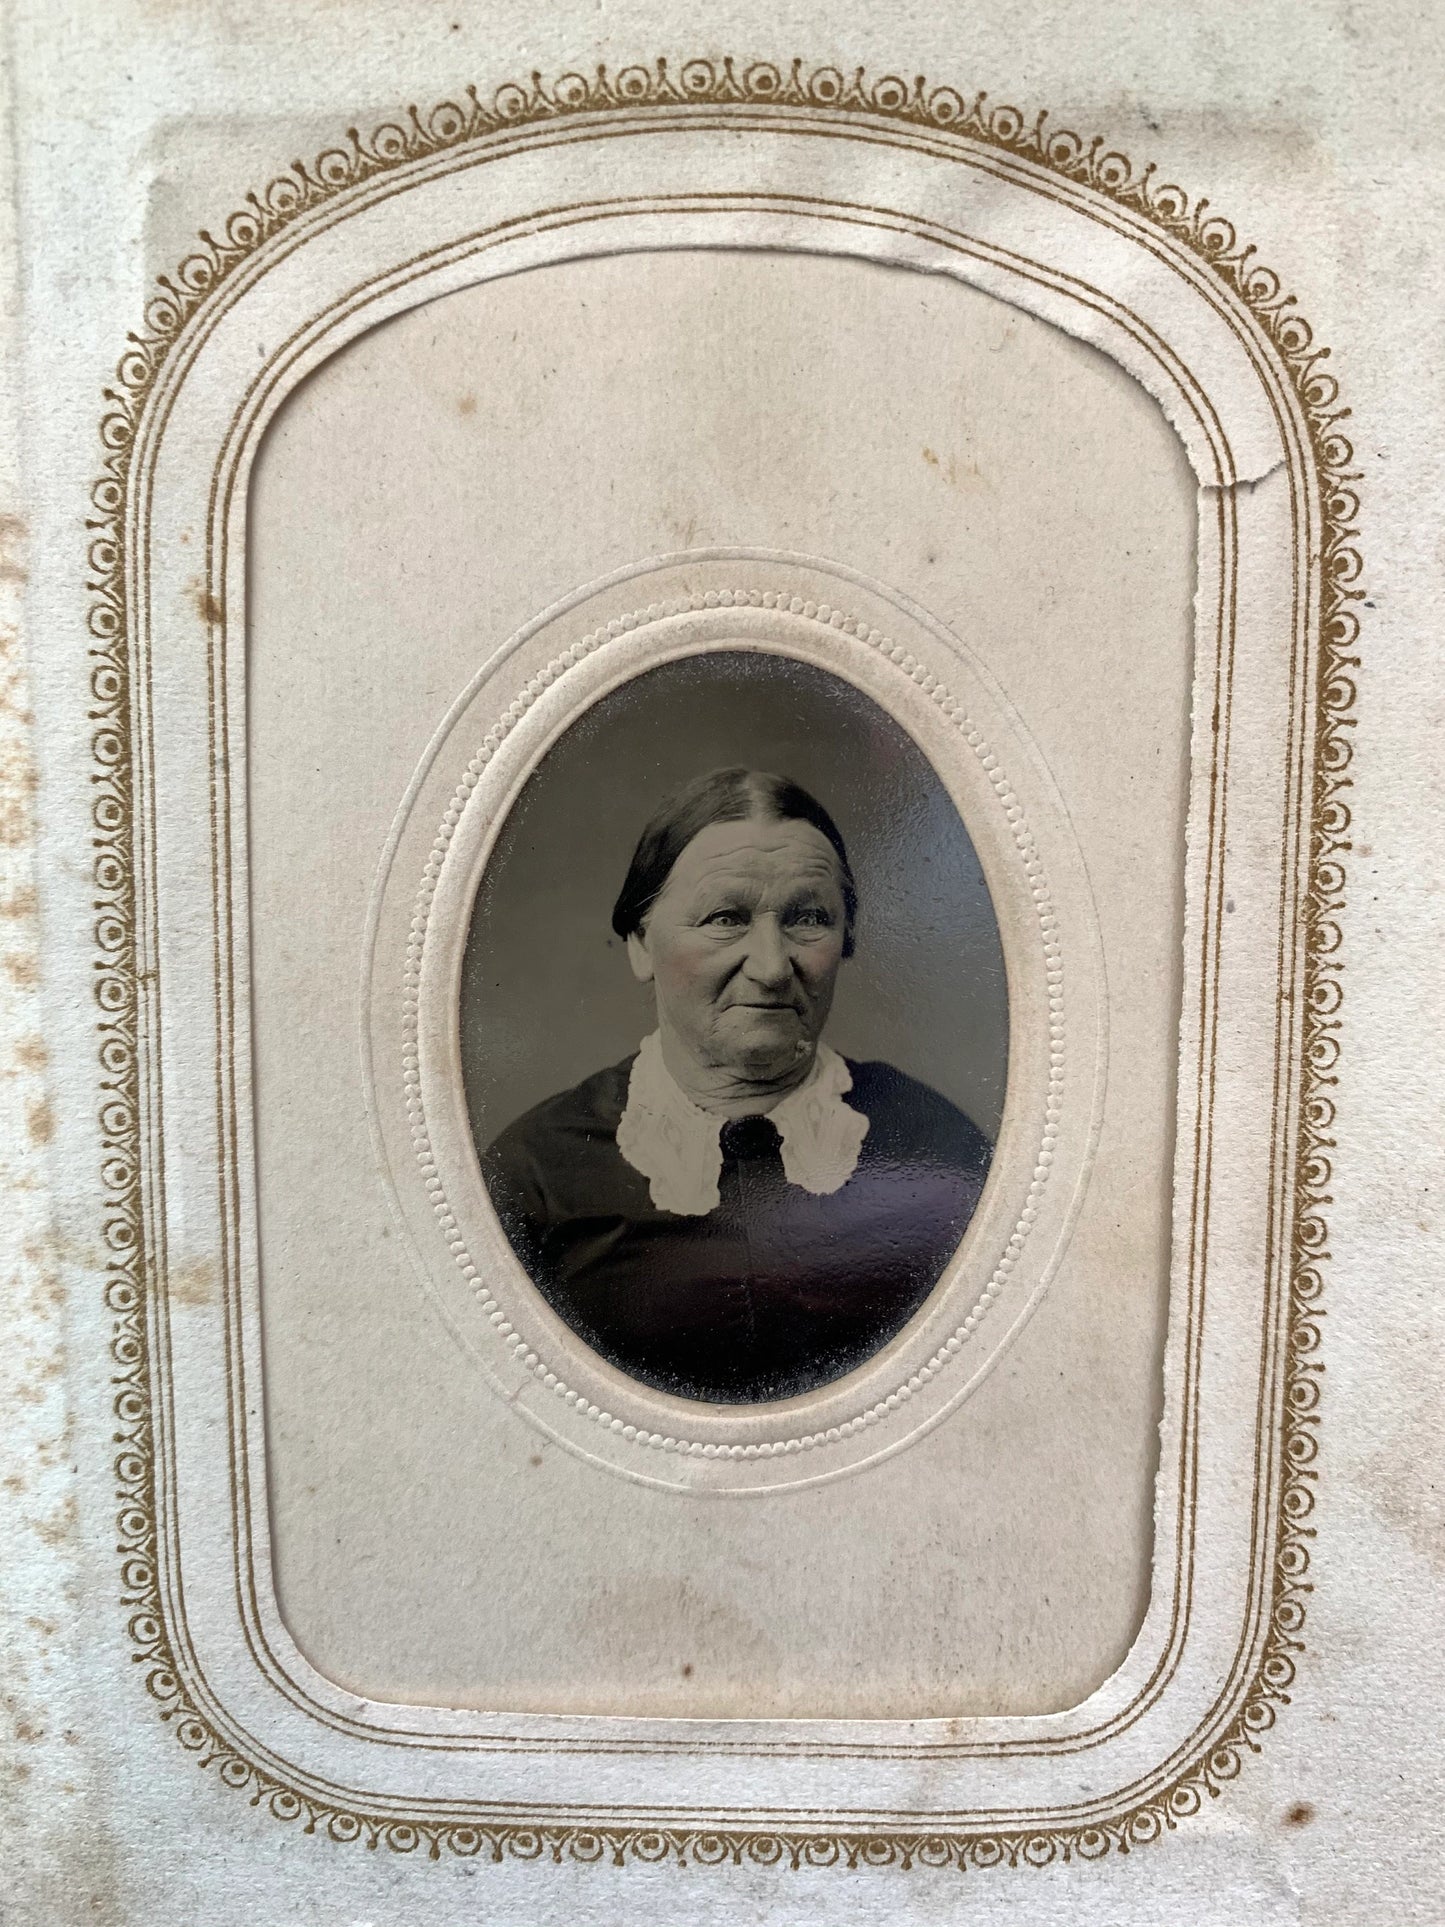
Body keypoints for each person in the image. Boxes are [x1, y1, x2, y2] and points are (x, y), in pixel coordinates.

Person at [481, 767, 992, 1404]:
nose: (773, 967)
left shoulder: (936, 1145)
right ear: (641, 943)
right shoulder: (536, 1173)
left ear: (845, 940)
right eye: (726, 917)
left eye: (809, 918)